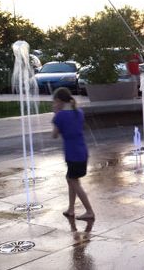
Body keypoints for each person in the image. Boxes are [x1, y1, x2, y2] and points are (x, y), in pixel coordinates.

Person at [52, 87, 95, 220]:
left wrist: (56, 114)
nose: (54, 105)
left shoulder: (60, 116)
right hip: (82, 151)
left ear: (59, 101)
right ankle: (71, 209)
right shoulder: (79, 112)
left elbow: (54, 135)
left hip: (72, 154)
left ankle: (89, 211)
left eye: (54, 102)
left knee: (73, 180)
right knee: (71, 179)